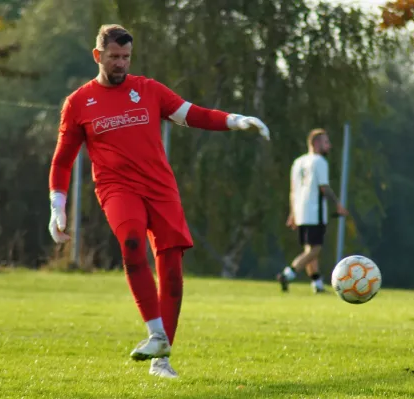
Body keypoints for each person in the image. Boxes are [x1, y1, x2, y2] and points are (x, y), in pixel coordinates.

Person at [47, 24, 270, 379]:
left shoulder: (148, 90)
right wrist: (57, 206)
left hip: (161, 189)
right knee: (131, 241)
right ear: (97, 56)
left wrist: (235, 120)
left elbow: (192, 114)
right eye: (114, 57)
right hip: (116, 188)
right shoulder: (78, 103)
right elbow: (62, 160)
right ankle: (155, 333)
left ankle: (161, 360)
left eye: (126, 57)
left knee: (172, 272)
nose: (121, 63)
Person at [276, 128, 347, 293]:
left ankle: (317, 285)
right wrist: (337, 204)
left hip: (301, 211)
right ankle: (288, 274)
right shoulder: (319, 161)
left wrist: (293, 213)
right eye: (326, 142)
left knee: (309, 250)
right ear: (316, 144)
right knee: (316, 249)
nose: (329, 146)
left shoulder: (298, 162)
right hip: (314, 211)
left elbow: (293, 190)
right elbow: (323, 188)